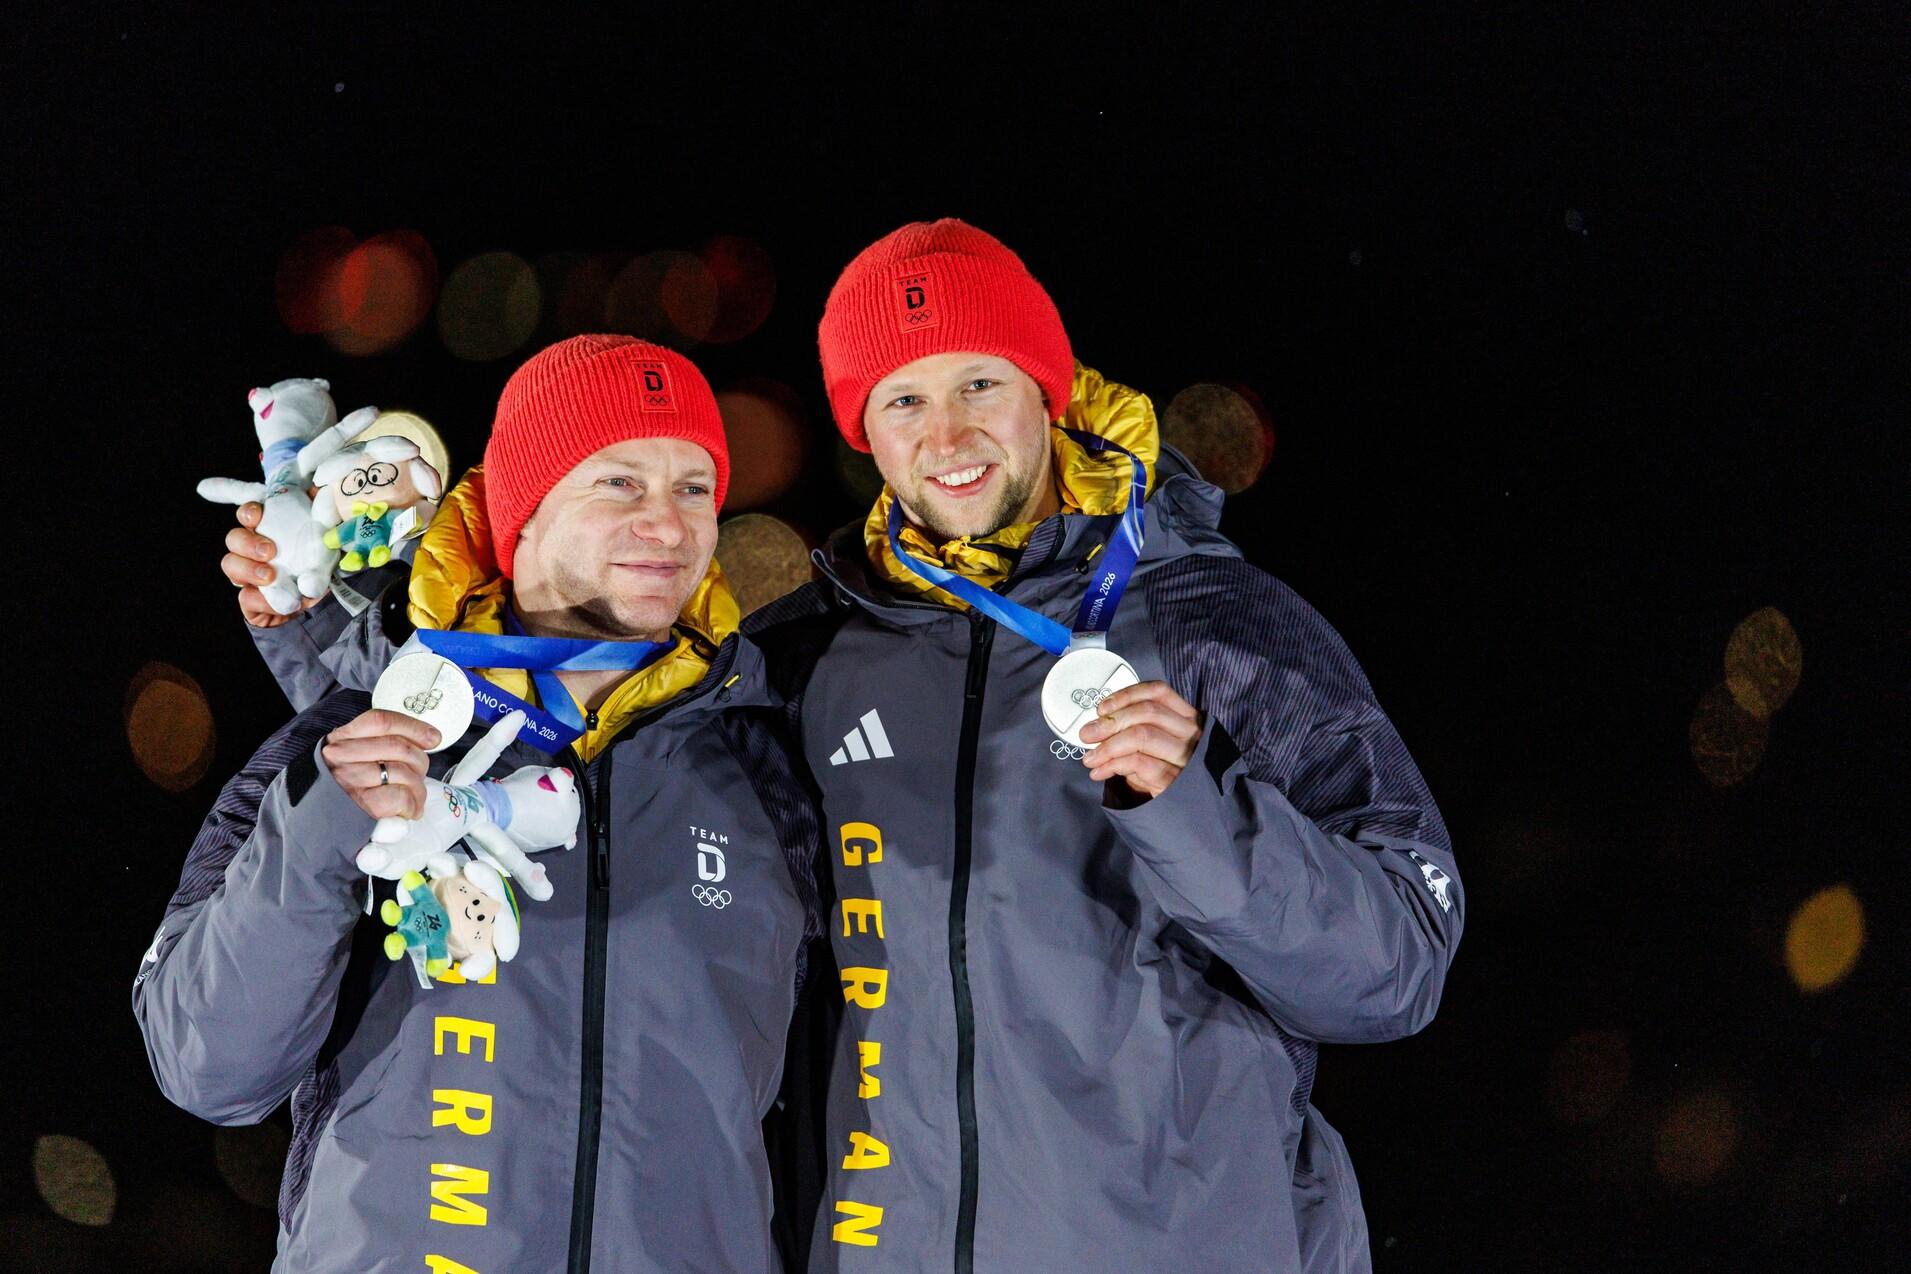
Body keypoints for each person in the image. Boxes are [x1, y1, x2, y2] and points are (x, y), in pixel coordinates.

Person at [746, 219, 1464, 1272]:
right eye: (904, 399)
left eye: (980, 384)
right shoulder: (820, 658)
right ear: (867, 432)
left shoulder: (1213, 619)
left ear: (1049, 391)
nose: (947, 436)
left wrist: (1200, 811)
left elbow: (1398, 964)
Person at [135, 336, 822, 1273]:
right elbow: (208, 1068)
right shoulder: (346, 742)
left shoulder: (765, 763)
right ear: (522, 515)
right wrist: (323, 829)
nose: (668, 525)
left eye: (693, 488)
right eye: (619, 483)